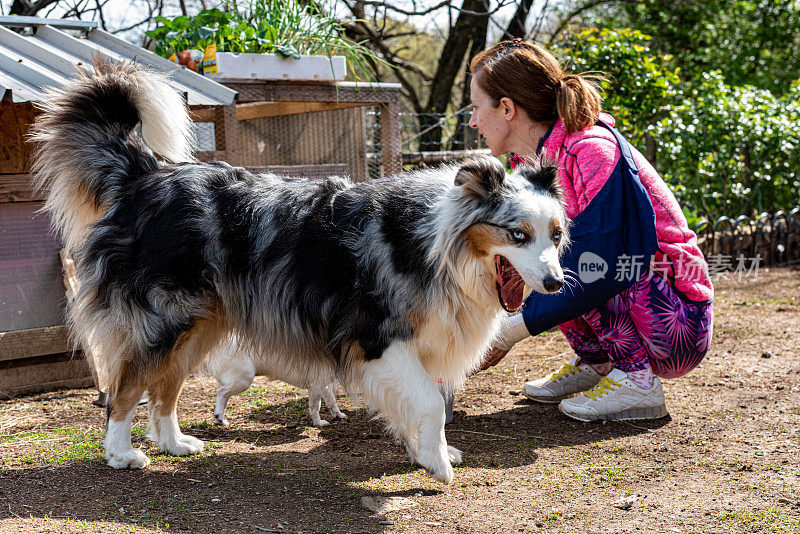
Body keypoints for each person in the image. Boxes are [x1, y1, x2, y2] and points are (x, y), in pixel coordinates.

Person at [467, 39, 714, 421]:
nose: (472, 121)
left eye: (476, 106)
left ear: (507, 108)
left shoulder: (591, 148)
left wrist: (510, 331)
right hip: (645, 304)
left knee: (592, 261)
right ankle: (599, 362)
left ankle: (638, 382)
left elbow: (608, 255)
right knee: (548, 259)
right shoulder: (530, 166)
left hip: (677, 320)